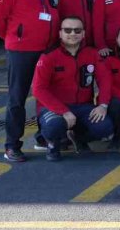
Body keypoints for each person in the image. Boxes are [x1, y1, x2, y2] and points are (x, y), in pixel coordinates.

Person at [0, 0, 60, 162]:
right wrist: (15, 38)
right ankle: (12, 145)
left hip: (47, 51)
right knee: (17, 99)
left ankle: (43, 137)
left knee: (46, 97)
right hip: (20, 52)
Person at [32, 16, 112, 161]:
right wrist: (64, 111)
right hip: (53, 108)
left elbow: (105, 80)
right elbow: (38, 89)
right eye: (67, 30)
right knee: (54, 126)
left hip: (82, 106)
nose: (72, 34)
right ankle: (52, 144)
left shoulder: (92, 54)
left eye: (77, 30)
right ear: (60, 33)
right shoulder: (49, 57)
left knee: (105, 127)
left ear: (83, 34)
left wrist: (103, 105)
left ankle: (79, 138)